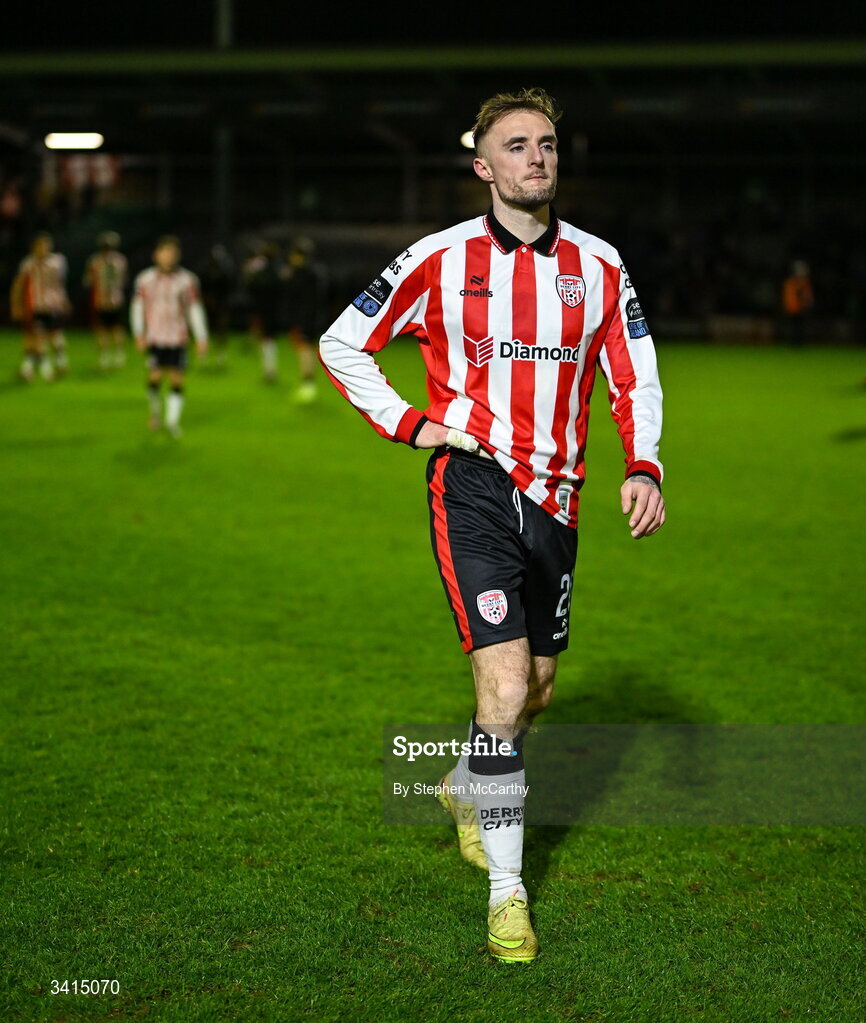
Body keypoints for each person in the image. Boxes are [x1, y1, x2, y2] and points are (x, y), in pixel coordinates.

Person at [319, 87, 665, 963]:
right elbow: (340, 343)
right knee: (506, 693)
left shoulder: (601, 266)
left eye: (546, 144)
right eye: (516, 146)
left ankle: (464, 778)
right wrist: (413, 421)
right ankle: (507, 895)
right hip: (471, 483)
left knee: (536, 693)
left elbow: (636, 374)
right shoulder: (437, 258)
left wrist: (642, 462)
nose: (536, 158)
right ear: (483, 165)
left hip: (559, 496)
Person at [130, 236, 208, 437]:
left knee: (177, 378)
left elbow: (194, 309)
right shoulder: (145, 279)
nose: (167, 257)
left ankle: (172, 421)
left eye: (171, 254)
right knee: (154, 376)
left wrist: (201, 336)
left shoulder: (187, 280)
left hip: (177, 337)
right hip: (155, 337)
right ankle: (155, 412)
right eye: (164, 253)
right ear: (156, 255)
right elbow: (138, 307)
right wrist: (139, 332)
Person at [10, 231, 71, 381]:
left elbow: (60, 284)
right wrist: (16, 304)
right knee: (37, 337)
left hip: (53, 306)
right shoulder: (28, 263)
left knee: (56, 337)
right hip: (35, 306)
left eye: (45, 246)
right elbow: (18, 285)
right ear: (34, 247)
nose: (42, 249)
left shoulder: (57, 262)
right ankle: (44, 371)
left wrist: (64, 300)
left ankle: (60, 361)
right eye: (39, 246)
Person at [283, 236, 328, 402]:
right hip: (314, 316)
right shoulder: (316, 271)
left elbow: (300, 298)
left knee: (305, 350)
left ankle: (308, 385)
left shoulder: (303, 274)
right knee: (307, 349)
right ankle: (308, 385)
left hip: (306, 317)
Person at [83, 230, 128, 370]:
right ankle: (119, 356)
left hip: (101, 300)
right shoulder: (120, 260)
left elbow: (88, 281)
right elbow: (125, 279)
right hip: (117, 299)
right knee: (116, 328)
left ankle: (105, 358)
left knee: (103, 330)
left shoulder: (95, 261)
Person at [242, 241, 284, 382]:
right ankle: (269, 369)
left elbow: (250, 286)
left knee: (267, 340)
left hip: (263, 310)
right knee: (268, 340)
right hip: (274, 309)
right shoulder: (278, 271)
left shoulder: (260, 272)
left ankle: (269, 370)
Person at [199, 243, 234, 368]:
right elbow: (201, 287)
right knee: (204, 331)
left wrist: (223, 302)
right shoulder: (205, 270)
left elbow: (230, 287)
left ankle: (221, 355)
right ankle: (203, 356)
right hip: (207, 305)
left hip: (221, 305)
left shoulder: (226, 271)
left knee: (221, 330)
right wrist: (206, 300)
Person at [781, 259, 814, 347]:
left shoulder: (804, 283)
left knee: (800, 327)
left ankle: (799, 343)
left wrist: (807, 304)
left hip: (801, 308)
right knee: (793, 327)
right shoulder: (790, 283)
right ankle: (794, 343)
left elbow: (807, 296)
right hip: (792, 308)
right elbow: (788, 296)